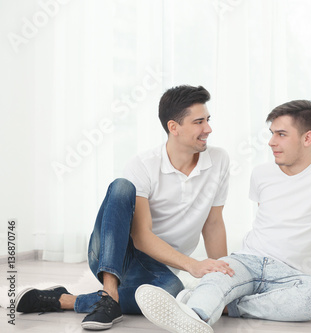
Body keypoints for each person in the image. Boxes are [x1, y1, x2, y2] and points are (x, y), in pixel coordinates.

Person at [134, 99, 311, 333]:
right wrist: (221, 267)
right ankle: (193, 315)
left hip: (293, 274)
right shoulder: (261, 174)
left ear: (307, 138)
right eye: (271, 133)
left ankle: (228, 305)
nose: (272, 142)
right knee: (218, 276)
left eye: (281, 134)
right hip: (248, 260)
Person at [14, 85, 234, 331]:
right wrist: (192, 264)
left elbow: (213, 224)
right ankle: (109, 292)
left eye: (208, 120)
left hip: (157, 264)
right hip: (115, 251)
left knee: (172, 291)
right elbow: (141, 237)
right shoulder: (143, 165)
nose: (208, 129)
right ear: (174, 127)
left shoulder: (219, 161)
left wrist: (220, 281)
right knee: (121, 187)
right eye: (199, 122)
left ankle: (65, 299)